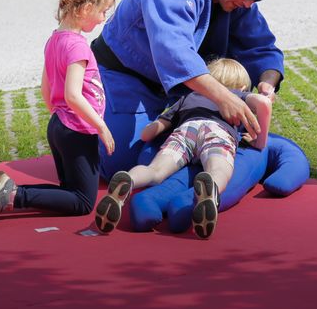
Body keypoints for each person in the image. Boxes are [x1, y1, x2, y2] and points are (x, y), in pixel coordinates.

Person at [91, 0, 283, 182]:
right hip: (126, 77)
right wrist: (224, 98)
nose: (249, 3)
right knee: (120, 160)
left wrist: (268, 82)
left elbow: (261, 47)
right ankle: (73, 121)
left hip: (186, 89)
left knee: (202, 140)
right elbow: (175, 54)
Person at [0, 0, 116, 222]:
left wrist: (58, 117)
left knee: (70, 191)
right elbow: (72, 95)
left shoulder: (55, 40)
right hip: (77, 130)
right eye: (102, 11)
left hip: (60, 125)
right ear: (86, 9)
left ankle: (9, 192)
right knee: (83, 201)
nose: (103, 18)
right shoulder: (78, 46)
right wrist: (101, 126)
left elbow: (46, 87)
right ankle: (13, 195)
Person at [93, 58, 272, 239]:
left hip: (186, 130)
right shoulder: (236, 96)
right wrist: (260, 141)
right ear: (242, 87)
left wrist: (156, 130)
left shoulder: (188, 97)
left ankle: (129, 179)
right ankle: (211, 189)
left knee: (155, 171)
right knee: (219, 170)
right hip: (217, 133)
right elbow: (264, 104)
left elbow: (147, 134)